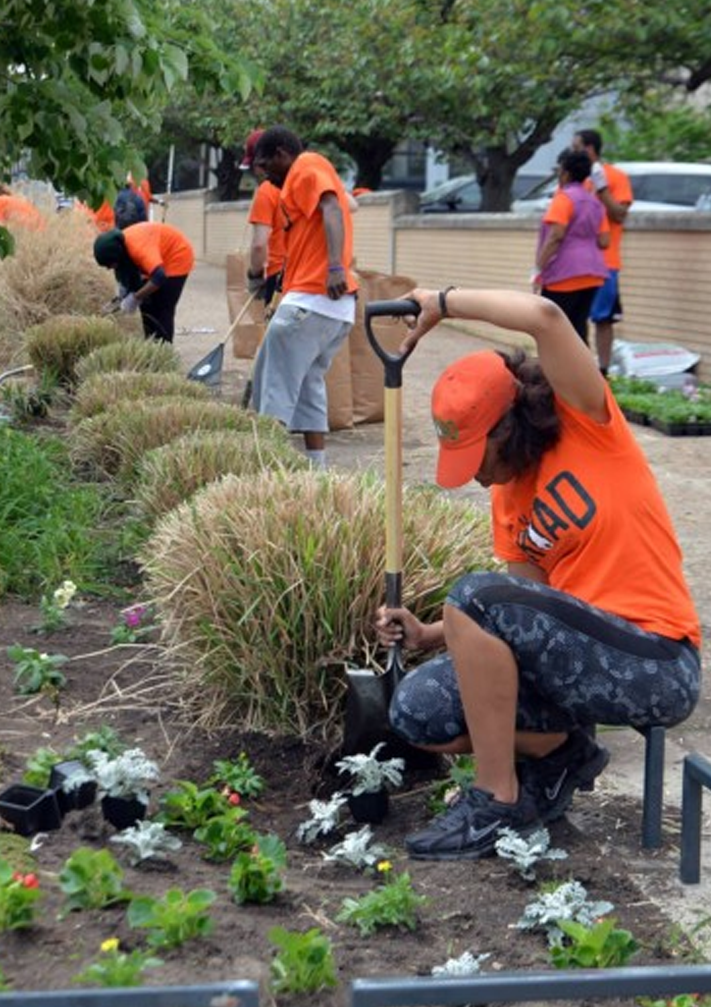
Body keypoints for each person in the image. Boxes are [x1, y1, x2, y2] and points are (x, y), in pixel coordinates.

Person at [375, 287, 701, 861]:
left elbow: (547, 317)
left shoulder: (589, 422)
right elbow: (522, 621)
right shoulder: (509, 502)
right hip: (574, 675)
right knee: (415, 708)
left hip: (653, 661)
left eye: (477, 454)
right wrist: (427, 636)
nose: (473, 475)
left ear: (510, 427)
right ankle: (561, 755)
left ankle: (496, 799)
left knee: (475, 596)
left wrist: (444, 303)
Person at [249, 126, 359, 467]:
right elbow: (344, 203)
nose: (266, 177)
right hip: (336, 310)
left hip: (310, 301)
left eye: (267, 167)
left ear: (283, 154)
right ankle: (316, 470)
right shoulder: (301, 178)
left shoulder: (306, 165)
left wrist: (335, 267)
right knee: (310, 385)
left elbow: (332, 207)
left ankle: (264, 470)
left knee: (272, 387)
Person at [572, 129, 633, 375]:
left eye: (576, 147)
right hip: (575, 263)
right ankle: (578, 369)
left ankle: (603, 370)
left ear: (590, 148)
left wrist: (602, 188)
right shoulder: (575, 176)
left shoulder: (615, 176)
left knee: (603, 319)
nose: (573, 151)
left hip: (605, 262)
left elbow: (619, 214)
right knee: (572, 318)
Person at [535, 148, 610, 343]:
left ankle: (552, 372)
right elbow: (604, 241)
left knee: (550, 329)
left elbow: (556, 236)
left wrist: (538, 268)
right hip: (592, 273)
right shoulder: (595, 203)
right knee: (578, 327)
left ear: (566, 173)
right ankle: (582, 371)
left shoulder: (563, 198)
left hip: (564, 273)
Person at [93, 222, 194, 343]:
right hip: (158, 256)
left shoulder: (138, 249)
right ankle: (151, 345)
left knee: (162, 307)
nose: (109, 268)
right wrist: (122, 295)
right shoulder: (120, 245)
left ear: (117, 255)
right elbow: (126, 272)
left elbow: (159, 277)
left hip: (176, 256)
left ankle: (164, 349)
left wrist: (135, 298)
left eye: (110, 264)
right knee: (146, 305)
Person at [240, 129, 286, 311]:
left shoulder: (267, 190)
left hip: (279, 276)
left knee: (278, 338)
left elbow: (259, 244)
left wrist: (255, 274)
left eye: (256, 164)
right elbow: (352, 205)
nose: (256, 170)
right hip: (312, 275)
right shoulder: (307, 182)